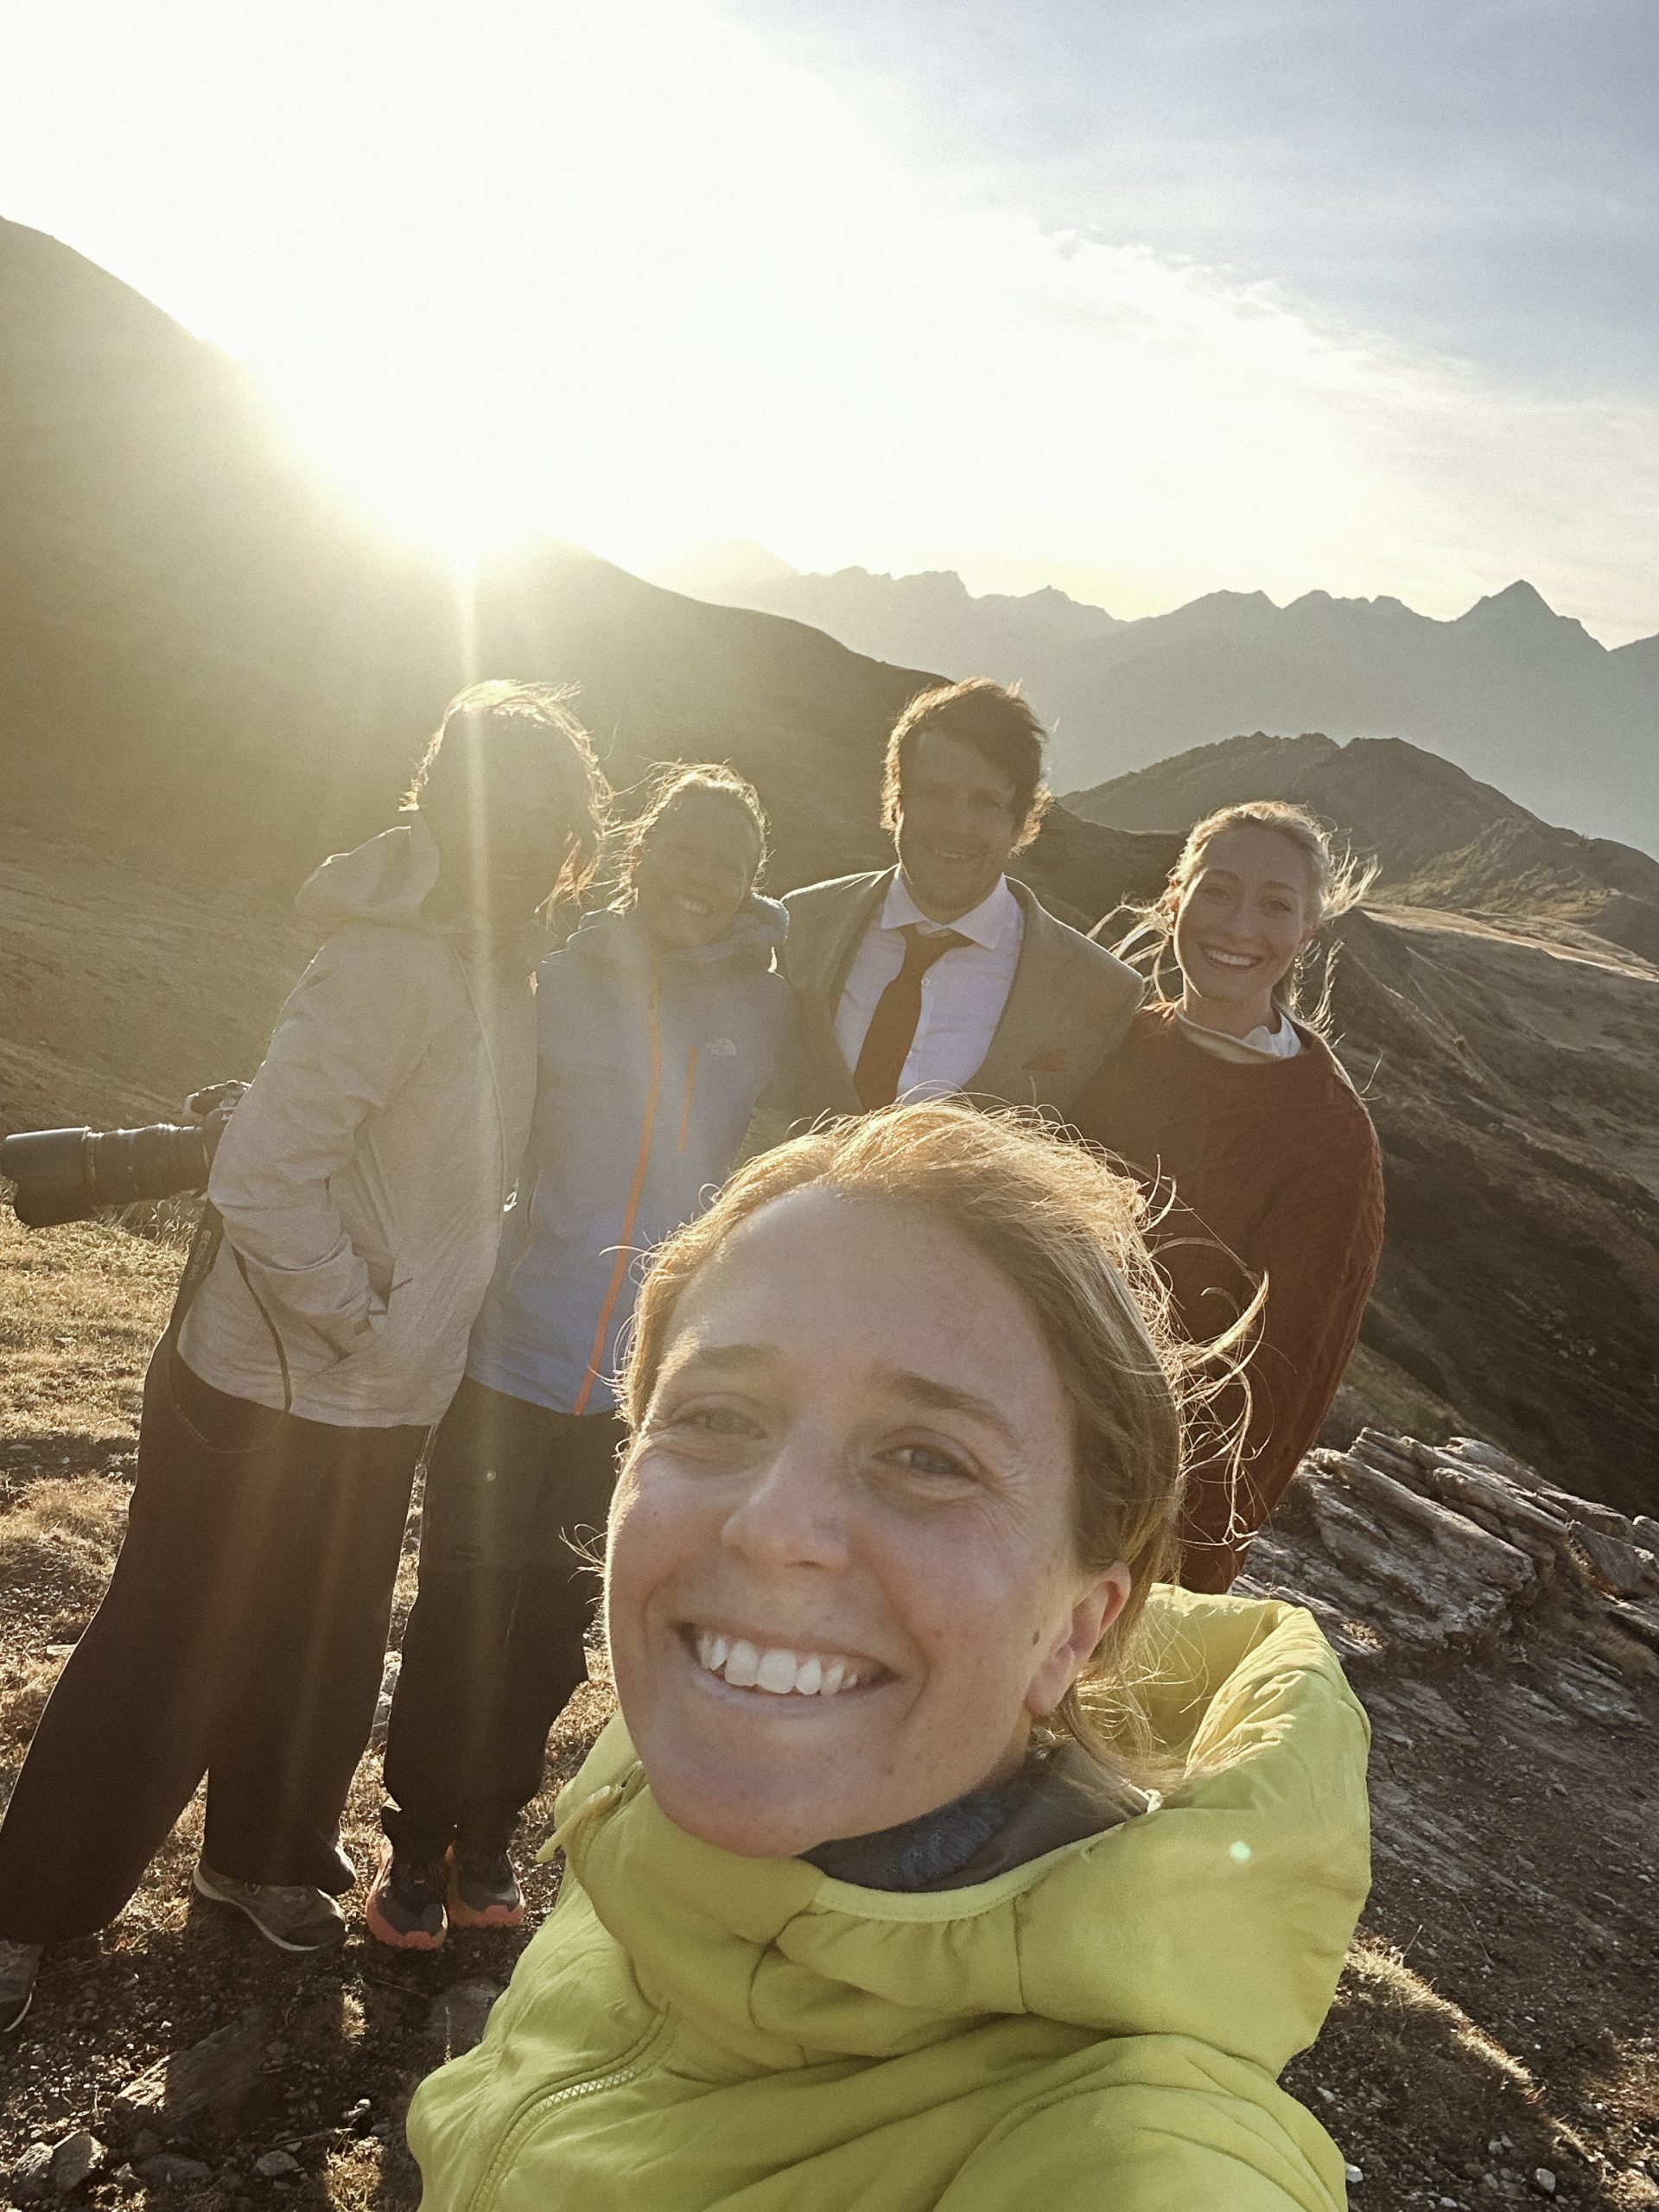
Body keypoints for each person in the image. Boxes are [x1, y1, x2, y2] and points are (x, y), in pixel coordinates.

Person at [406, 1100, 1372, 2212]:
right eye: (717, 1417)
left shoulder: (1135, 2161)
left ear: (1077, 1627)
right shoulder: (645, 1787)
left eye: (928, 1457)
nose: (773, 1528)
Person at [0, 680, 609, 2037]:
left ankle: (260, 1862)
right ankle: (26, 1906)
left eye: (544, 824)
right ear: (444, 808)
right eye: (496, 814)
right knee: (168, 1637)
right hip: (266, 1381)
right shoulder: (390, 960)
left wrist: (403, 1341)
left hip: (383, 1393)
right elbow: (263, 1179)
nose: (519, 847)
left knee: (321, 1638)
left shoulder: (501, 967)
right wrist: (364, 1317)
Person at [368, 764, 798, 1949]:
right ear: (638, 852)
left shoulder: (770, 1010)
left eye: (727, 863)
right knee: (464, 1594)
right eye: (682, 849)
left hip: (642, 1378)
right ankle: (415, 1838)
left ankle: (489, 1833)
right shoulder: (555, 980)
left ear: (752, 883)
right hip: (510, 1351)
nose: (700, 878)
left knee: (558, 1616)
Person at [1071, 800, 1386, 1592]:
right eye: (1217, 891)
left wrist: (1187, 1566)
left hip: (1140, 1518)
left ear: (1307, 933)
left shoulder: (1328, 1134)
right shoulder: (1109, 1046)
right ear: (1175, 898)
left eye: (1276, 905)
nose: (1240, 926)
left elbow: (1283, 1377)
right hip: (1017, 1449)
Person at [780, 678, 1141, 1121]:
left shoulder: (1098, 988)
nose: (957, 825)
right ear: (897, 803)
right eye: (935, 794)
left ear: (1019, 824)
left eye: (986, 803)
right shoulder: (802, 924)